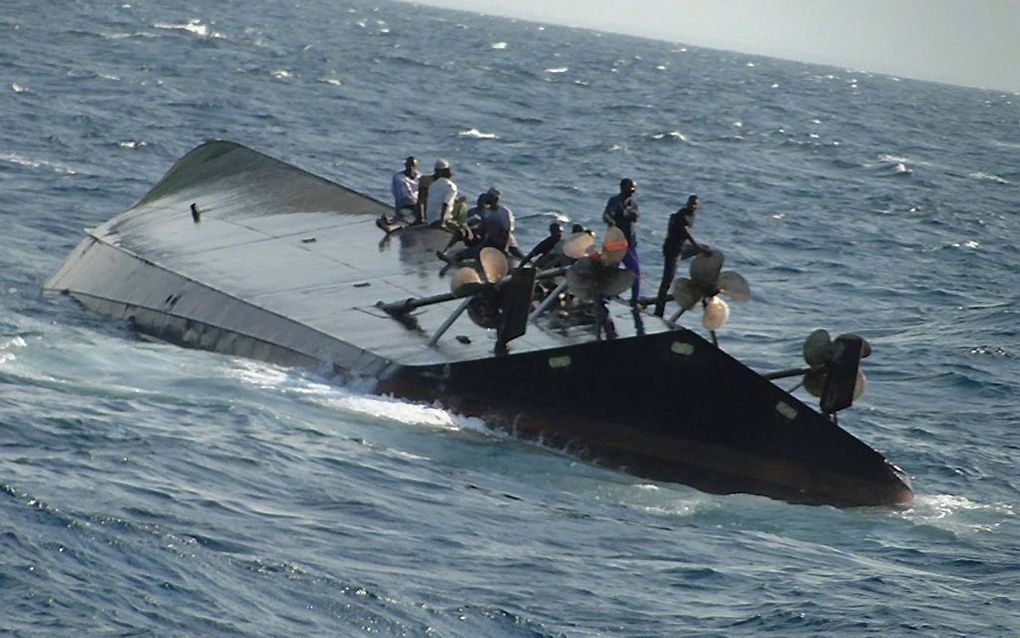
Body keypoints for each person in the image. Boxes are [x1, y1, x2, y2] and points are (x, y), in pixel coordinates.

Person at [654, 195, 710, 317]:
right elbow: (686, 234)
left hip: (681, 247)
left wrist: (700, 249)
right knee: (667, 281)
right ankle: (659, 311)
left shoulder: (691, 215)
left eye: (695, 204)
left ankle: (702, 278)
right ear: (687, 203)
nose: (693, 206)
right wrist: (697, 247)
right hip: (673, 250)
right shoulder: (682, 216)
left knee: (706, 249)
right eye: (691, 203)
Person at [602, 177, 640, 305]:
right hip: (616, 244)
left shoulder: (632, 204)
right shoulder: (614, 201)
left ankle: (634, 300)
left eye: (634, 188)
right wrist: (611, 221)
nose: (633, 190)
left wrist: (632, 215)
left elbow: (635, 217)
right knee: (610, 271)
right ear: (622, 188)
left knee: (635, 272)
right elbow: (606, 215)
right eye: (630, 187)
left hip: (629, 244)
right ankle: (603, 297)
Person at [436, 192, 490, 262]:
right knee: (460, 231)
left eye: (481, 201)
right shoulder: (472, 211)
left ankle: (458, 258)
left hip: (480, 237)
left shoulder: (487, 213)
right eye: (479, 200)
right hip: (471, 234)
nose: (479, 202)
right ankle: (446, 251)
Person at [378, 156, 420, 233]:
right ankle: (391, 227)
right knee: (412, 218)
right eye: (408, 165)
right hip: (405, 205)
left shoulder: (420, 177)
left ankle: (390, 220)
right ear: (405, 165)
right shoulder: (399, 178)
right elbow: (404, 196)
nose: (410, 168)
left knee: (413, 214)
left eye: (413, 165)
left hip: (417, 205)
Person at [480, 187, 516, 254]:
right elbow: (484, 228)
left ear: (495, 199)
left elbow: (507, 231)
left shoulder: (504, 212)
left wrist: (505, 248)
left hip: (506, 243)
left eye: (488, 197)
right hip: (491, 241)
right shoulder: (486, 211)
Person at [424, 159, 458, 225]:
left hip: (429, 219)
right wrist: (442, 221)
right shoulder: (451, 186)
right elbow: (445, 204)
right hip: (441, 219)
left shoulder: (433, 184)